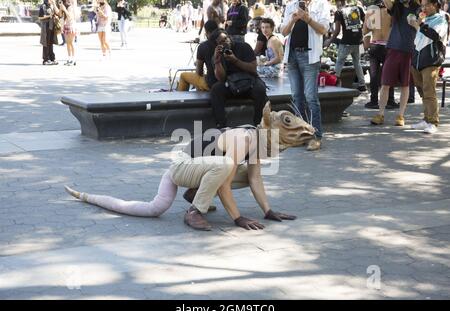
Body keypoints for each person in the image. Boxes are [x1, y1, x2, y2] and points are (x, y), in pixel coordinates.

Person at [65, 103, 316, 231]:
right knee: (226, 166)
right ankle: (194, 210)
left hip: (198, 169)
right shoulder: (246, 137)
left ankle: (195, 192)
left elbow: (255, 179)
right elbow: (225, 181)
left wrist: (268, 210)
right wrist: (237, 218)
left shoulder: (256, 143)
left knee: (236, 170)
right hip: (181, 168)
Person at [281, 0, 331, 151]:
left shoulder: (321, 4)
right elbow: (283, 32)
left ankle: (316, 136)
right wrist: (293, 19)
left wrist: (307, 18)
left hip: (310, 56)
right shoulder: (291, 5)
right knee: (297, 96)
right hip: (292, 56)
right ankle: (300, 134)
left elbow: (323, 30)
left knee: (310, 97)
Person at [370, 0, 420, 127]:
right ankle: (380, 114)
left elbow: (421, 27)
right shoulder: (397, 7)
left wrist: (415, 24)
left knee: (405, 84)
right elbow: (387, 2)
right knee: (385, 83)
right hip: (393, 48)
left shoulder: (418, 8)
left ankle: (401, 115)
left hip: (409, 50)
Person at [209, 29, 268, 128]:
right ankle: (221, 125)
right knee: (216, 89)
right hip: (231, 84)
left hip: (249, 80)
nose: (226, 42)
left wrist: (235, 60)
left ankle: (259, 123)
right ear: (217, 45)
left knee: (260, 90)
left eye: (226, 38)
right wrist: (217, 62)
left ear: (229, 36)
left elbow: (253, 69)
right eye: (221, 42)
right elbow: (221, 78)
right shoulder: (217, 54)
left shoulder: (244, 46)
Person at [409, 0, 448, 133]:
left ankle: (433, 122)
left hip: (431, 60)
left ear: (436, 5)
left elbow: (435, 35)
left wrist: (421, 24)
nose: (424, 7)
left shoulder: (441, 19)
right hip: (417, 59)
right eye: (422, 5)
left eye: (427, 5)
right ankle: (426, 119)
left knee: (429, 91)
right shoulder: (423, 17)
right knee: (422, 91)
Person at [363, 0, 399, 109]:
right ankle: (390, 100)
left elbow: (365, 30)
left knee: (374, 75)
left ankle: (373, 100)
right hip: (389, 46)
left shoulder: (372, 11)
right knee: (389, 74)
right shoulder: (392, 11)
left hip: (374, 45)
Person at [325, 0, 367, 92]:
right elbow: (366, 22)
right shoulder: (358, 8)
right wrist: (362, 35)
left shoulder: (339, 12)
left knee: (339, 62)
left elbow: (337, 31)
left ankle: (334, 83)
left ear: (338, 2)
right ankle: (362, 84)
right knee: (357, 62)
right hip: (358, 41)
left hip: (346, 42)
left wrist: (329, 41)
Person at [176, 20, 219, 91]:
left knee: (183, 75)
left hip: (211, 84)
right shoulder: (226, 42)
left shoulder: (203, 46)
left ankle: (181, 100)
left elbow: (199, 72)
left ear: (207, 33)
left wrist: (197, 63)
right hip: (226, 82)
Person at [38, 0, 61, 65]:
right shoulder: (43, 6)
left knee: (51, 43)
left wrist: (54, 4)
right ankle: (45, 59)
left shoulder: (52, 5)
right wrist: (48, 16)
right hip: (46, 27)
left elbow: (58, 13)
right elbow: (40, 17)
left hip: (52, 26)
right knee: (46, 43)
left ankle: (52, 58)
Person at [59, 0, 78, 66]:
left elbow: (70, 17)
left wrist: (64, 9)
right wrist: (61, 9)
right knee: (67, 43)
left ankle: (74, 59)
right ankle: (69, 59)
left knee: (72, 43)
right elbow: (60, 15)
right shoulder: (65, 6)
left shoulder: (71, 7)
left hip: (71, 26)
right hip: (66, 26)